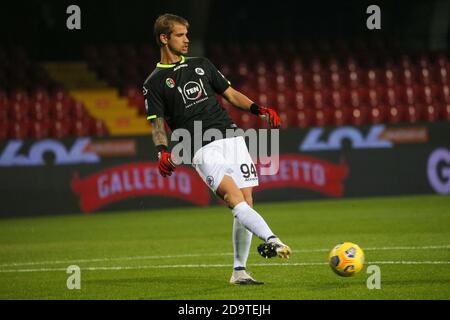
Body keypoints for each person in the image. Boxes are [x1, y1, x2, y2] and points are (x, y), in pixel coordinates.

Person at [143, 13, 291, 285]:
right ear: (164, 38)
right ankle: (272, 239)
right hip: (198, 144)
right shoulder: (153, 83)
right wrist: (162, 150)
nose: (186, 40)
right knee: (233, 199)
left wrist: (259, 109)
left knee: (246, 202)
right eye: (180, 35)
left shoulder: (202, 65)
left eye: (187, 34)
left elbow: (231, 94)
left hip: (231, 137)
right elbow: (157, 124)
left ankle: (239, 271)